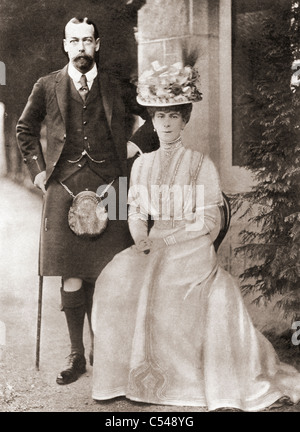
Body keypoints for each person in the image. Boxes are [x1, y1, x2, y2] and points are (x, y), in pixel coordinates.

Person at [91, 59, 300, 411]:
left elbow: (207, 220)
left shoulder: (201, 164)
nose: (167, 123)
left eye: (174, 116)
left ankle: (183, 383)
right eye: (160, 116)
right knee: (114, 276)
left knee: (170, 283)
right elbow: (137, 210)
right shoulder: (142, 164)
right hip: (153, 244)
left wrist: (167, 241)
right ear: (151, 121)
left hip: (192, 247)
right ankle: (119, 379)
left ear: (185, 119)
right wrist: (141, 235)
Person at [16, 17, 157, 385]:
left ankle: (106, 349)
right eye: (74, 41)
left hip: (115, 184)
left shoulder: (116, 86)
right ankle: (76, 355)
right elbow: (25, 129)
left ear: (97, 44)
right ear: (65, 45)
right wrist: (37, 170)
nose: (81, 47)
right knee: (72, 272)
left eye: (87, 41)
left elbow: (155, 118)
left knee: (112, 273)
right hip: (64, 185)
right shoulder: (47, 85)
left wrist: (136, 145)